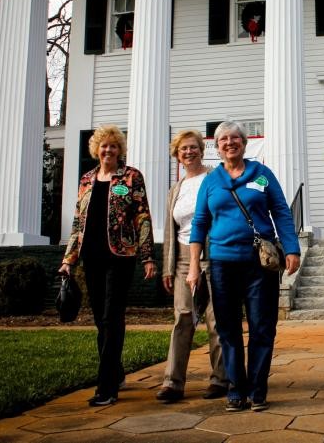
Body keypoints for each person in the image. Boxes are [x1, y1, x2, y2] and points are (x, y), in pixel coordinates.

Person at [188, 121, 301, 412]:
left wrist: (291, 248)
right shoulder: (211, 182)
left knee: (263, 326)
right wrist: (192, 266)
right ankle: (236, 390)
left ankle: (258, 390)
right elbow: (200, 223)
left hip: (259, 264)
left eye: (235, 138)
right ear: (217, 146)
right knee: (228, 329)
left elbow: (280, 212)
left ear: (244, 142)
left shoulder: (261, 175)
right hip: (222, 264)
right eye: (223, 139)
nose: (230, 143)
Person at [59, 124, 156, 407]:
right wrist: (68, 259)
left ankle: (107, 387)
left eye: (113, 146)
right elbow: (78, 221)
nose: (108, 150)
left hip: (121, 255)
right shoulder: (87, 179)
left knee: (113, 316)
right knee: (101, 318)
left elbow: (143, 216)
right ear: (96, 149)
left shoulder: (131, 176)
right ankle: (116, 370)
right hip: (91, 255)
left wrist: (147, 255)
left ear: (119, 150)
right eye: (104, 146)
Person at [157, 130, 228, 403]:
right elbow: (169, 230)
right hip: (184, 259)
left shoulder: (215, 177)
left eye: (194, 147)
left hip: (215, 253)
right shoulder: (175, 190)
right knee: (182, 319)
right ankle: (172, 382)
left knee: (216, 319)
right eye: (183, 149)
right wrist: (168, 266)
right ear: (177, 155)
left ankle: (221, 379)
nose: (189, 152)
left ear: (202, 149)